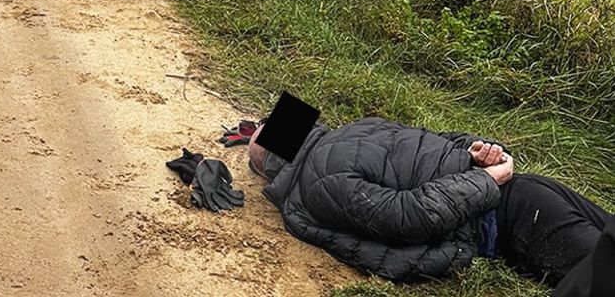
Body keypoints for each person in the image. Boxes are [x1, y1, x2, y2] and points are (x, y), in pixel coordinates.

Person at [246, 117, 614, 287]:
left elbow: (435, 142)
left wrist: (473, 150)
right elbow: (409, 217)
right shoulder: (327, 179)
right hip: (504, 213)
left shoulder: (339, 151)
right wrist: (486, 176)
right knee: (604, 267)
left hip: (513, 199)